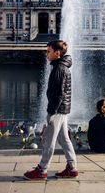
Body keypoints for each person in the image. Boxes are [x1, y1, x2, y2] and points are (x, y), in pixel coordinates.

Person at [24, 40, 78, 180]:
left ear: (57, 53)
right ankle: (72, 168)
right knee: (64, 138)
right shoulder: (61, 66)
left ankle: (42, 170)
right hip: (62, 109)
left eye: (48, 51)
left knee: (49, 140)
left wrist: (52, 111)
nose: (46, 54)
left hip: (57, 109)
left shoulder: (59, 68)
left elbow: (59, 93)